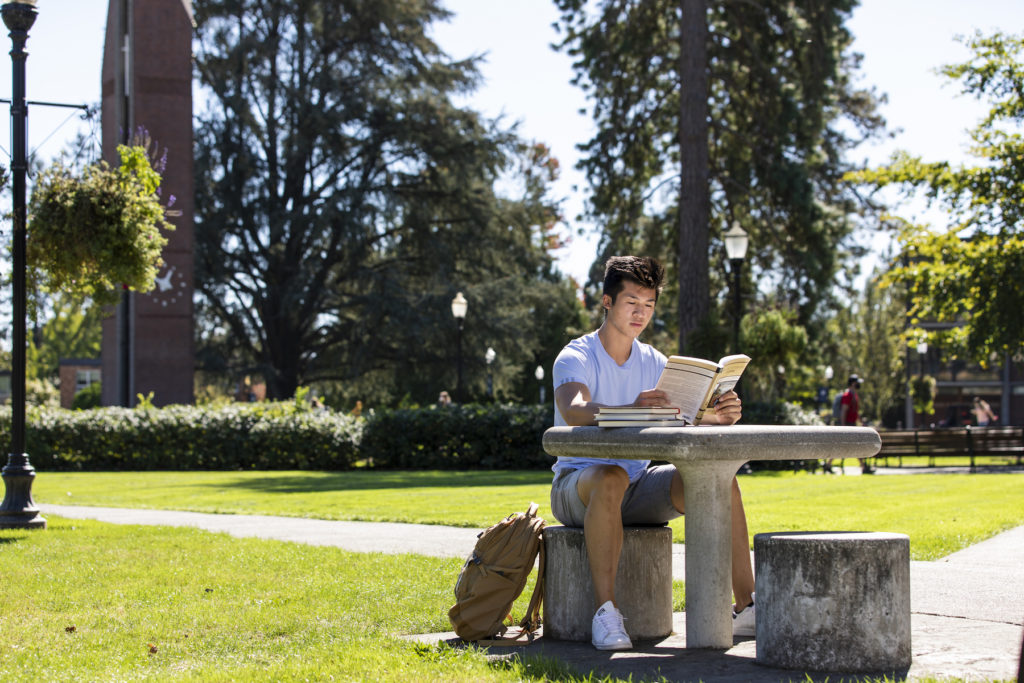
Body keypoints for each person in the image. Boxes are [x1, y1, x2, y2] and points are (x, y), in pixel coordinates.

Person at [550, 255, 756, 651]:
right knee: (610, 477)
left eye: (648, 305)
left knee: (718, 480)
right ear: (607, 302)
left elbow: (686, 416)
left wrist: (720, 415)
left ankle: (746, 605)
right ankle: (605, 614)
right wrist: (633, 410)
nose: (640, 313)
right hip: (577, 485)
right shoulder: (577, 355)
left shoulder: (656, 362)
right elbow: (574, 408)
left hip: (638, 484)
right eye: (631, 302)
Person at [824, 374, 874, 474]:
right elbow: (844, 411)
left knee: (844, 446)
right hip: (847, 425)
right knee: (854, 445)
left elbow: (855, 411)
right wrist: (843, 427)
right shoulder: (848, 395)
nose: (859, 384)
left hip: (851, 424)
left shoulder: (854, 395)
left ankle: (828, 464)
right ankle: (863, 467)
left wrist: (860, 421)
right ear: (852, 383)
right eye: (857, 382)